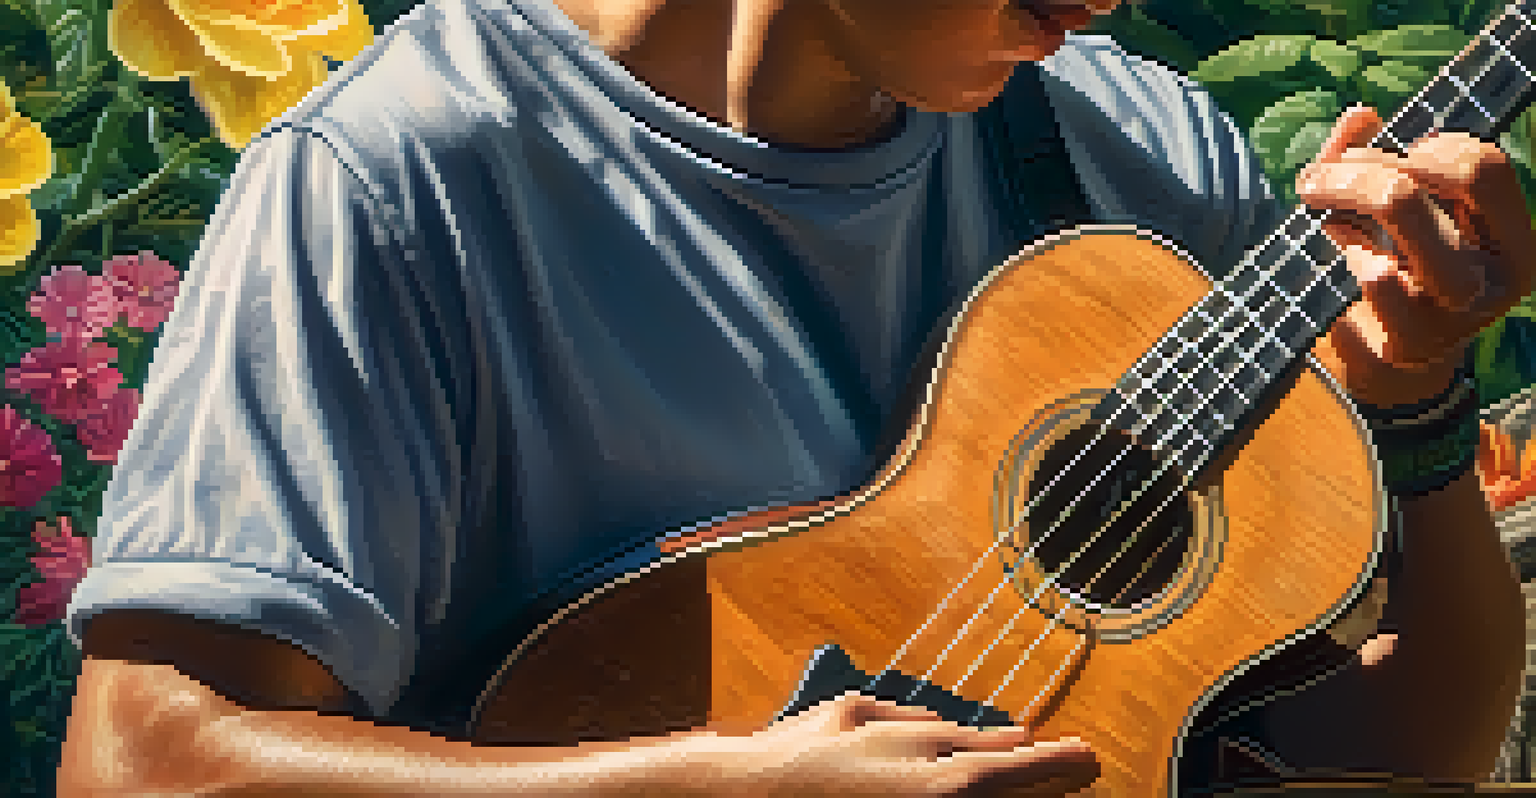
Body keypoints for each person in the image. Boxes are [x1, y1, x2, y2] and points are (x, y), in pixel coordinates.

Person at [55, 0, 1529, 794]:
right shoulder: (404, 177)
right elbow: (140, 763)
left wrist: (1408, 404)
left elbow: (1402, 752)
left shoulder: (1135, 159)